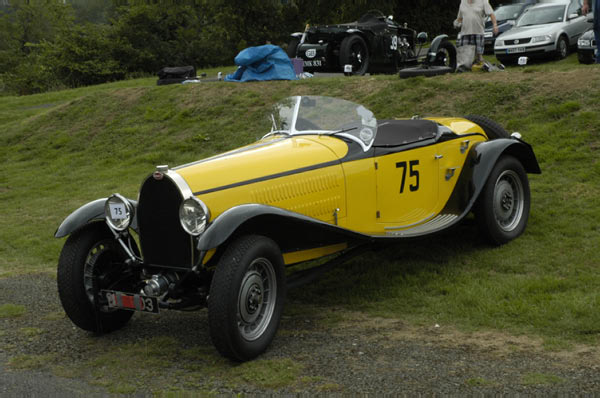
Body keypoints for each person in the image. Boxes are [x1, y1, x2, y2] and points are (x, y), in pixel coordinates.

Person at [455, 0, 498, 64]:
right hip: (465, 32)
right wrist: (456, 23)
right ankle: (464, 66)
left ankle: (480, 65)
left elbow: (491, 14)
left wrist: (495, 25)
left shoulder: (483, 1)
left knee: (479, 55)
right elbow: (460, 17)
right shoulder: (462, 2)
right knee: (463, 53)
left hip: (478, 31)